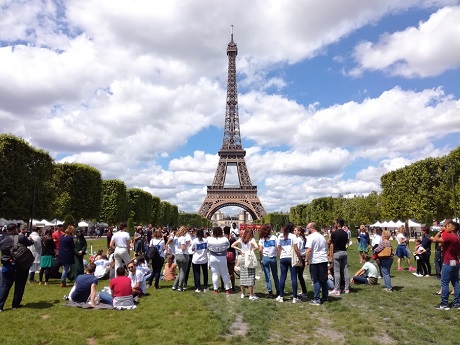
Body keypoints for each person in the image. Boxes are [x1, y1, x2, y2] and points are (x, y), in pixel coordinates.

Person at [0, 223, 35, 311]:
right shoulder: (21, 237)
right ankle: (15, 305)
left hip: (6, 265)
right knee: (19, 286)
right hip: (20, 266)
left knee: (5, 286)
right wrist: (30, 239)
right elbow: (30, 243)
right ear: (16, 229)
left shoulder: (2, 238)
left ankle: (0, 306)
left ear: (7, 230)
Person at [430, 221, 460, 310]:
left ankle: (444, 304)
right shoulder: (457, 237)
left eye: (448, 226)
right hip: (455, 261)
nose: (446, 227)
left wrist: (440, 231)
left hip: (448, 262)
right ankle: (457, 303)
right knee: (456, 282)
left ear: (453, 228)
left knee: (444, 283)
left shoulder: (450, 236)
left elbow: (436, 240)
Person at [276, 223, 302, 303]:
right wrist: (300, 260)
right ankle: (295, 297)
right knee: (294, 277)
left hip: (283, 258)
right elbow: (296, 249)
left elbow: (279, 248)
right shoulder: (293, 236)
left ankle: (281, 296)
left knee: (282, 277)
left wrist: (281, 255)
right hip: (291, 257)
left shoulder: (280, 236)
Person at [232, 228, 259, 300]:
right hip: (249, 258)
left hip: (242, 258)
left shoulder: (241, 239)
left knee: (242, 276)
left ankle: (242, 294)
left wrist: (240, 249)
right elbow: (257, 247)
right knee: (250, 276)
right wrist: (250, 251)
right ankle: (251, 295)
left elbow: (232, 245)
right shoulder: (251, 240)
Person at [305, 222, 329, 305]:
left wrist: (306, 260)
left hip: (315, 260)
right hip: (323, 259)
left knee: (316, 280)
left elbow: (308, 250)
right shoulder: (321, 236)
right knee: (324, 280)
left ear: (311, 228)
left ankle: (317, 299)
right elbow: (326, 248)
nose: (307, 230)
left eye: (308, 228)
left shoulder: (310, 237)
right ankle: (325, 297)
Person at [329, 219, 350, 295]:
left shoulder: (334, 233)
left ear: (338, 224)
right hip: (344, 252)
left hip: (337, 252)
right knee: (345, 270)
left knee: (337, 271)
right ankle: (347, 288)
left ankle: (337, 289)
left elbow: (329, 241)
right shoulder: (345, 233)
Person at [207, 227, 232, 294]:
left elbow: (208, 248)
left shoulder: (210, 240)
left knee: (215, 274)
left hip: (213, 257)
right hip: (222, 257)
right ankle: (227, 289)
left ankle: (215, 289)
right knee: (224, 274)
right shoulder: (225, 239)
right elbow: (228, 246)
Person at [258, 224, 280, 298]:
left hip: (265, 257)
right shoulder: (274, 237)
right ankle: (278, 291)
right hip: (273, 257)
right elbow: (278, 248)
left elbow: (260, 249)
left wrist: (261, 258)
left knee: (267, 276)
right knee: (275, 275)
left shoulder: (262, 238)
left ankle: (270, 292)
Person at [170, 226, 190, 292]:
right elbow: (183, 248)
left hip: (177, 255)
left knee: (180, 272)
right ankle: (180, 287)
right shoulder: (183, 238)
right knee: (183, 272)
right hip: (183, 255)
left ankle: (174, 286)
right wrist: (188, 244)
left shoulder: (176, 238)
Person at [294, 226, 308, 298]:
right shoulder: (304, 239)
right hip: (303, 257)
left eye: (295, 230)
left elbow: (297, 250)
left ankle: (304, 291)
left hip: (300, 258)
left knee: (299, 276)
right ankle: (304, 291)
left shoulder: (298, 239)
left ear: (299, 232)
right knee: (300, 275)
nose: (294, 231)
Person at [223, 226, 237, 291]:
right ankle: (233, 286)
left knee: (223, 272)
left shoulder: (222, 238)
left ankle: (223, 286)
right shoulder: (233, 238)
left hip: (224, 255)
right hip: (231, 255)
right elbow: (235, 246)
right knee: (231, 272)